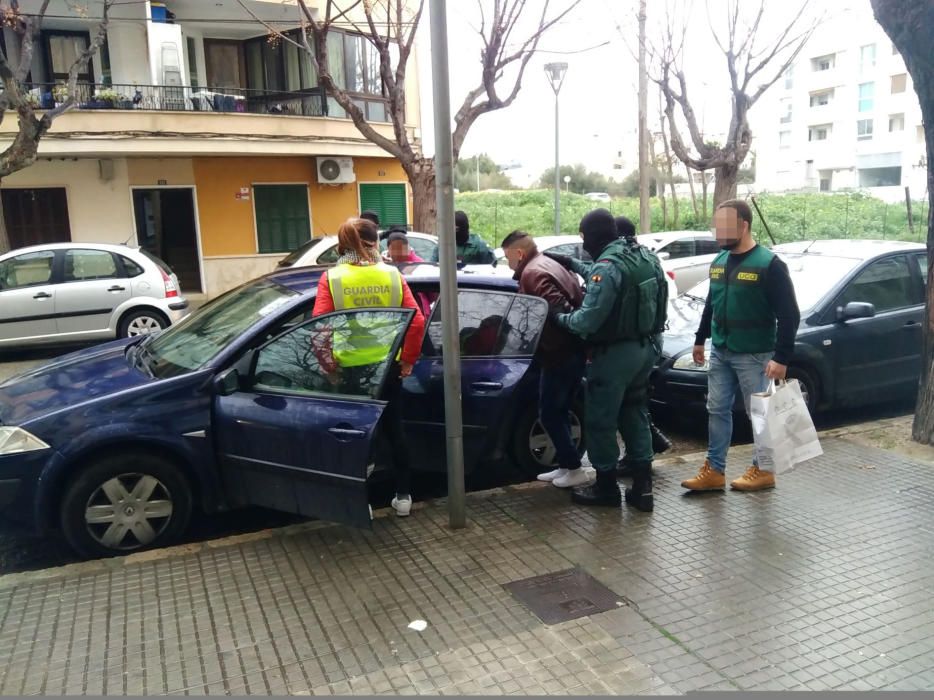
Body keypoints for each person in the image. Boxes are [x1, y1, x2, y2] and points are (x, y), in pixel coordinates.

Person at [548, 209, 668, 511]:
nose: (583, 242)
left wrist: (559, 318)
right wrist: (572, 264)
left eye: (583, 236)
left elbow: (587, 320)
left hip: (614, 355)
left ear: (592, 235)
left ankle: (606, 487)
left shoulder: (609, 264)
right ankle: (642, 488)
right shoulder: (641, 256)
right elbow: (611, 278)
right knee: (635, 412)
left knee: (601, 419)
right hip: (648, 348)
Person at [681, 199, 800, 493]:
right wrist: (700, 338)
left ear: (743, 226)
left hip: (755, 354)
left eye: (724, 227)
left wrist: (782, 357)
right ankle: (714, 471)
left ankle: (764, 469)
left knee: (759, 413)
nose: (718, 233)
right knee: (716, 409)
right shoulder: (719, 262)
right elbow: (712, 302)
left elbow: (789, 314)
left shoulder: (769, 265)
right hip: (721, 351)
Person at [313, 217, 426, 516]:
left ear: (342, 246)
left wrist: (329, 367)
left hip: (350, 371)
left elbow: (320, 330)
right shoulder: (392, 275)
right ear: (376, 242)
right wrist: (407, 360)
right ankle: (403, 497)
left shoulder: (332, 278)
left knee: (355, 436)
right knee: (395, 431)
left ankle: (361, 502)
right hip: (387, 367)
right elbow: (416, 321)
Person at [501, 230, 588, 488]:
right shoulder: (548, 264)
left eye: (507, 257)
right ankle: (565, 465)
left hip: (558, 354)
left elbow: (558, 309)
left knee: (550, 412)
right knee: (557, 411)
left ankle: (573, 468)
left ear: (519, 253)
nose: (508, 264)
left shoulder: (533, 272)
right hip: (568, 352)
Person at [612, 215, 673, 477]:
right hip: (652, 341)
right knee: (636, 401)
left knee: (628, 404)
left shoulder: (624, 263)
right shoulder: (649, 259)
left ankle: (640, 456)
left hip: (631, 344)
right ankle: (644, 453)